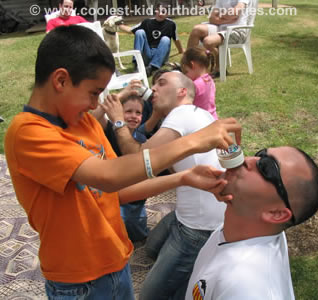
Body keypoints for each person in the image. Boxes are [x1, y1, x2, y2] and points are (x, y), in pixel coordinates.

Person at [4, 25, 241, 299]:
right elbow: (107, 176)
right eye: (94, 93)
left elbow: (117, 190)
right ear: (61, 81)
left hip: (116, 262)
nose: (96, 105)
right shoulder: (28, 133)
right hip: (77, 282)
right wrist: (195, 140)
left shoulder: (83, 124)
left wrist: (182, 178)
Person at [104, 71, 228, 300]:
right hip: (196, 212)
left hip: (199, 227)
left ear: (182, 92)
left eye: (162, 83)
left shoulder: (180, 115)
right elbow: (166, 164)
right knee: (151, 249)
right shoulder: (195, 113)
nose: (155, 88)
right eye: (154, 84)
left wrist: (118, 121)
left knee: (150, 296)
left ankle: (201, 278)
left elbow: (138, 160)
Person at [186, 147, 318, 300]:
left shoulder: (243, 288)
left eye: (266, 168)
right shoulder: (249, 227)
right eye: (261, 154)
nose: (247, 159)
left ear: (276, 214)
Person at [94, 94, 149, 242]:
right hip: (112, 193)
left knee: (138, 234)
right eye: (128, 111)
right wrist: (120, 95)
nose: (133, 116)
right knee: (110, 233)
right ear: (118, 112)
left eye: (138, 113)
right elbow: (93, 117)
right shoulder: (110, 129)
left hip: (134, 200)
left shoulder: (141, 139)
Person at [187, 0, 251, 77]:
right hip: (220, 27)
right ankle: (187, 65)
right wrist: (228, 19)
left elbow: (235, 13)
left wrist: (220, 16)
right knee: (196, 30)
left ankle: (218, 66)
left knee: (208, 42)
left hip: (236, 30)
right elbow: (212, 18)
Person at [119, 2, 184, 76]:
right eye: (159, 11)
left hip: (161, 56)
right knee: (139, 32)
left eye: (163, 12)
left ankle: (152, 68)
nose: (160, 14)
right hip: (148, 53)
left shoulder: (171, 24)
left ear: (167, 14)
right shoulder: (147, 22)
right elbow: (130, 30)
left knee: (166, 39)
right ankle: (137, 63)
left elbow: (176, 39)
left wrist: (181, 51)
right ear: (156, 10)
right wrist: (119, 24)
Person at [181, 46, 218, 120]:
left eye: (186, 71)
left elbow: (184, 105)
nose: (185, 75)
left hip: (201, 122)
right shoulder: (210, 80)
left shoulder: (195, 85)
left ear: (192, 65)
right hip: (213, 118)